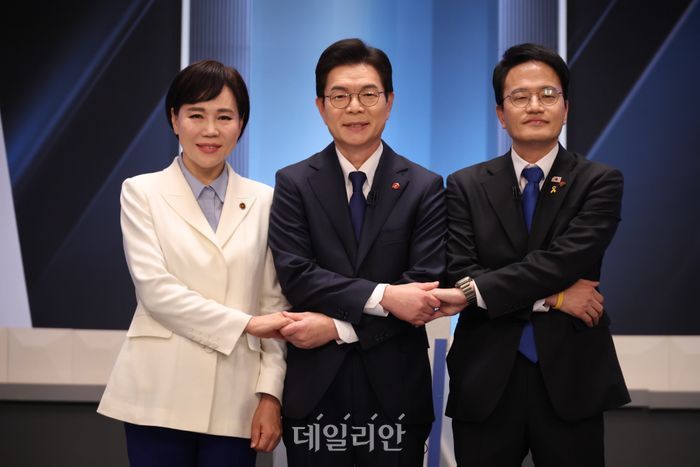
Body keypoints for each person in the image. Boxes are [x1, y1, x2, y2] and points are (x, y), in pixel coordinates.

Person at [432, 43, 630, 466]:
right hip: (485, 377)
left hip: (571, 378)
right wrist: (555, 298)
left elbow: (563, 262)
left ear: (566, 108)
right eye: (520, 96)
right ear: (501, 114)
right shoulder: (465, 185)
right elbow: (459, 272)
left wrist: (480, 290)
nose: (535, 106)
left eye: (548, 94)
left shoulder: (599, 181)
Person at [97, 60, 291, 467]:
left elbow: (273, 306)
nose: (210, 130)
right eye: (196, 115)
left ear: (241, 124)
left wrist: (271, 395)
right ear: (174, 119)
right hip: (158, 392)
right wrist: (246, 324)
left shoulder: (266, 200)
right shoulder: (141, 192)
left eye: (225, 117)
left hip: (237, 398)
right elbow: (156, 291)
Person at [268, 38, 445, 467]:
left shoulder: (425, 186)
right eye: (340, 96)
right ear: (320, 106)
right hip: (315, 393)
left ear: (389, 102)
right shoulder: (293, 183)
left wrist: (338, 327)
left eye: (368, 94)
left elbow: (421, 288)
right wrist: (385, 296)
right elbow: (297, 275)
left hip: (396, 393)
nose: (354, 108)